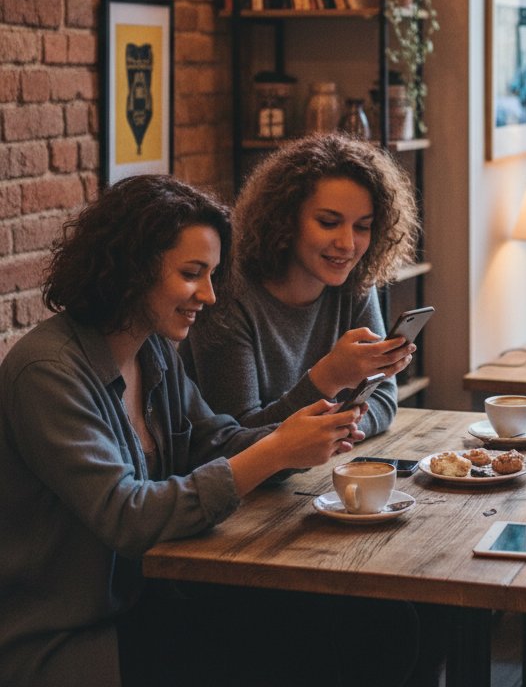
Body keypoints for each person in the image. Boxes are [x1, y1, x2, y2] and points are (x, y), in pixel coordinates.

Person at [0, 174, 418, 687]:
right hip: (70, 638)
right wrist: (274, 452)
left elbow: (214, 440)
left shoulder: (150, 350)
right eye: (193, 273)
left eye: (213, 274)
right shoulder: (48, 372)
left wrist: (295, 436)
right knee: (332, 645)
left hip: (150, 602)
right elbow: (127, 516)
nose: (211, 295)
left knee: (384, 622)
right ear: (132, 270)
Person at [182, 133, 419, 435]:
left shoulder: (353, 281)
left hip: (324, 467)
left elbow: (384, 397)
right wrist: (327, 378)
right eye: (328, 222)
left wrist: (339, 430)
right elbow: (237, 438)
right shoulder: (226, 295)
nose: (348, 244)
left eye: (362, 226)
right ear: (285, 219)